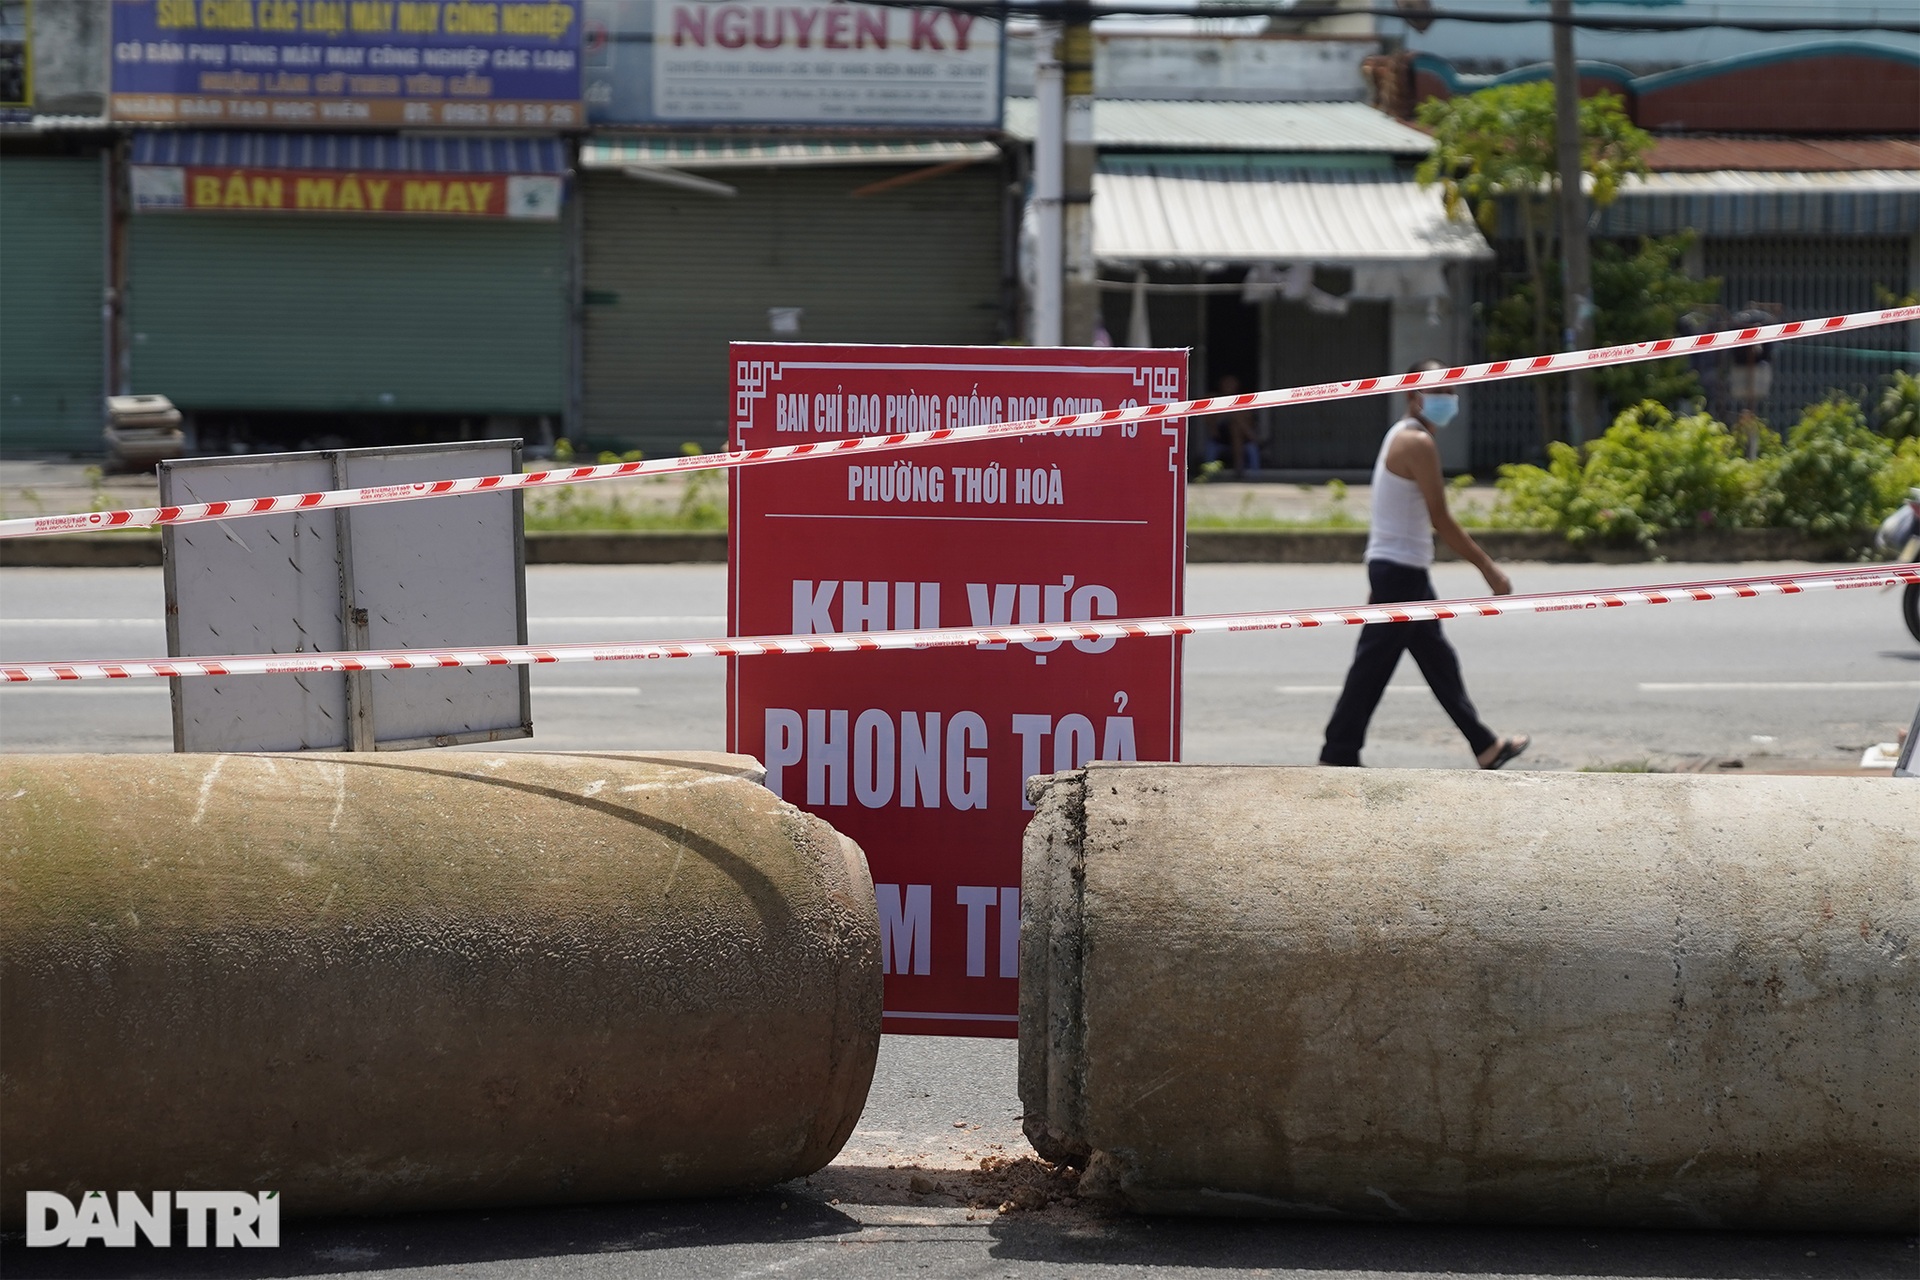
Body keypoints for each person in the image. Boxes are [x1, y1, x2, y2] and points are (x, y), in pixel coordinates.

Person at [1319, 365, 1529, 769]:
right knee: (1377, 666)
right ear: (1412, 396)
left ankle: (1484, 745)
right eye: (1437, 392)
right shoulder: (1417, 442)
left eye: (1450, 391)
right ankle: (1337, 753)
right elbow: (1441, 519)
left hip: (1399, 568)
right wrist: (1489, 569)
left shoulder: (1401, 434)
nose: (1446, 400)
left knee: (1434, 662)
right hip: (1400, 571)